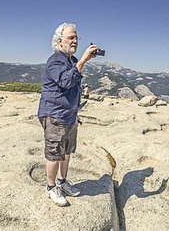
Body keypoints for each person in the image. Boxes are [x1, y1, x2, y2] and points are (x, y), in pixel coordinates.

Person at [39, 22, 99, 206]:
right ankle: (51, 187)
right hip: (55, 114)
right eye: (70, 38)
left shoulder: (70, 61)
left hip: (69, 115)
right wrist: (83, 61)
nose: (74, 41)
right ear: (60, 41)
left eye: (76, 38)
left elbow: (74, 89)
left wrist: (75, 112)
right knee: (54, 153)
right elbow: (65, 81)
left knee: (66, 151)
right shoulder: (56, 60)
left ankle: (62, 182)